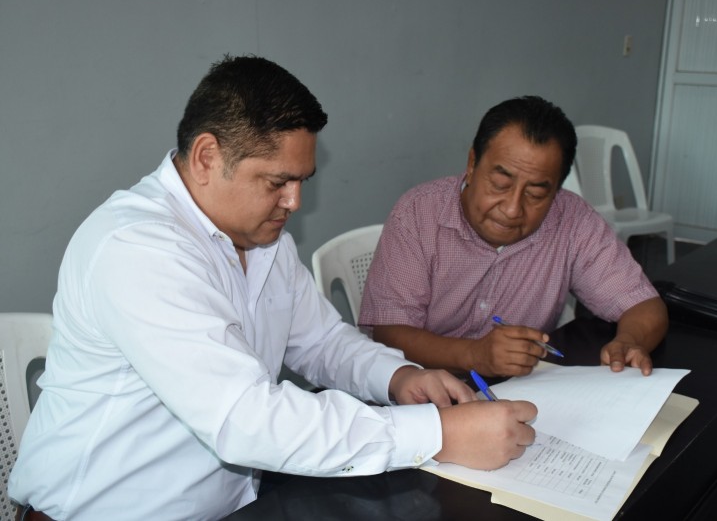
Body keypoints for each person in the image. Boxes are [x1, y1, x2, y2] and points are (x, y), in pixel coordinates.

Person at [8, 55, 537, 521]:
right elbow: (247, 420)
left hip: (236, 505)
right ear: (207, 157)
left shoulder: (260, 237)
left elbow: (320, 341)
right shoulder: (136, 249)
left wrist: (398, 378)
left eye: (302, 181)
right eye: (278, 182)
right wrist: (440, 435)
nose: (294, 202)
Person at [359, 95, 668, 379]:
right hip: (421, 391)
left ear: (556, 191)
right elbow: (391, 333)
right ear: (472, 164)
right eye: (500, 184)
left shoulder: (573, 221)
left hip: (515, 388)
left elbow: (643, 304)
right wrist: (474, 355)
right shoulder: (418, 214)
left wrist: (629, 341)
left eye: (535, 194)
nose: (511, 209)